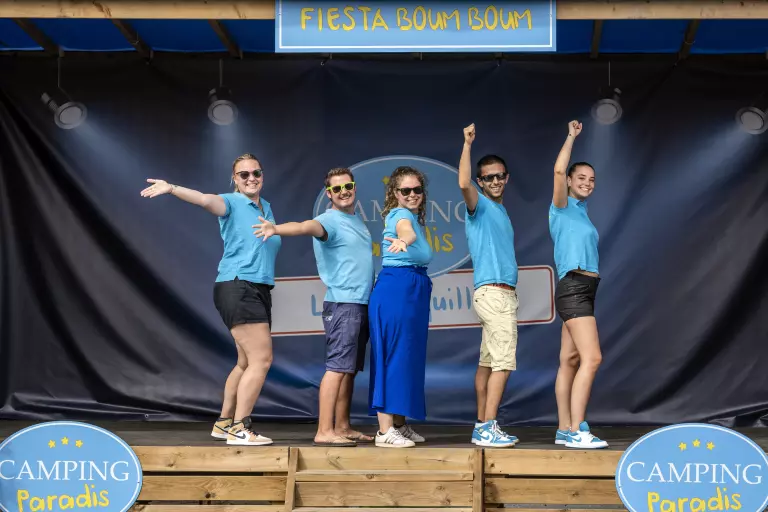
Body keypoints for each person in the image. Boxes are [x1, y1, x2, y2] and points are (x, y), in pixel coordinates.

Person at [140, 153, 281, 446]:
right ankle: (240, 428)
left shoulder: (265, 207)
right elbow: (205, 200)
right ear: (235, 179)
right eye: (244, 174)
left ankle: (224, 423)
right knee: (262, 359)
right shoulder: (230, 202)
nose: (251, 178)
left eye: (256, 173)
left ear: (262, 175)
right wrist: (172, 188)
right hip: (238, 285)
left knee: (245, 362)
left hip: (256, 287)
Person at [253, 167, 374, 447]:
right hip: (343, 303)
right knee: (337, 368)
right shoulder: (327, 220)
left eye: (348, 186)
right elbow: (305, 226)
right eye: (336, 189)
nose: (343, 192)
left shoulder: (356, 220)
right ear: (329, 194)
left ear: (354, 187)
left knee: (348, 370)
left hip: (360, 302)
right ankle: (324, 430)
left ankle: (342, 426)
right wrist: (275, 229)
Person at [458, 124, 520, 448]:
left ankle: (482, 424)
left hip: (497, 294)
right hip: (494, 294)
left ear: (506, 178)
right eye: (488, 178)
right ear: (480, 182)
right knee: (503, 363)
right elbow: (462, 183)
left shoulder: (501, 211)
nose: (495, 181)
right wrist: (467, 144)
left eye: (500, 176)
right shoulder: (479, 205)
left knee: (487, 363)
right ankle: (488, 427)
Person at [549, 121, 608, 449]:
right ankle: (577, 430)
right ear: (570, 181)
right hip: (573, 287)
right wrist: (571, 136)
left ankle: (563, 428)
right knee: (592, 358)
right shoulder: (561, 207)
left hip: (584, 289)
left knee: (570, 361)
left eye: (592, 180)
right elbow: (558, 170)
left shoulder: (582, 212)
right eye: (581, 178)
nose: (587, 183)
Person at [368, 166, 433, 448]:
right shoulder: (400, 215)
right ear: (395, 193)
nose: (412, 195)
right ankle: (384, 431)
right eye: (405, 190)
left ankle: (398, 424)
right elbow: (407, 233)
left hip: (411, 289)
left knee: (406, 358)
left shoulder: (413, 217)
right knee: (392, 357)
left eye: (417, 189)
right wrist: (404, 239)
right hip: (397, 289)